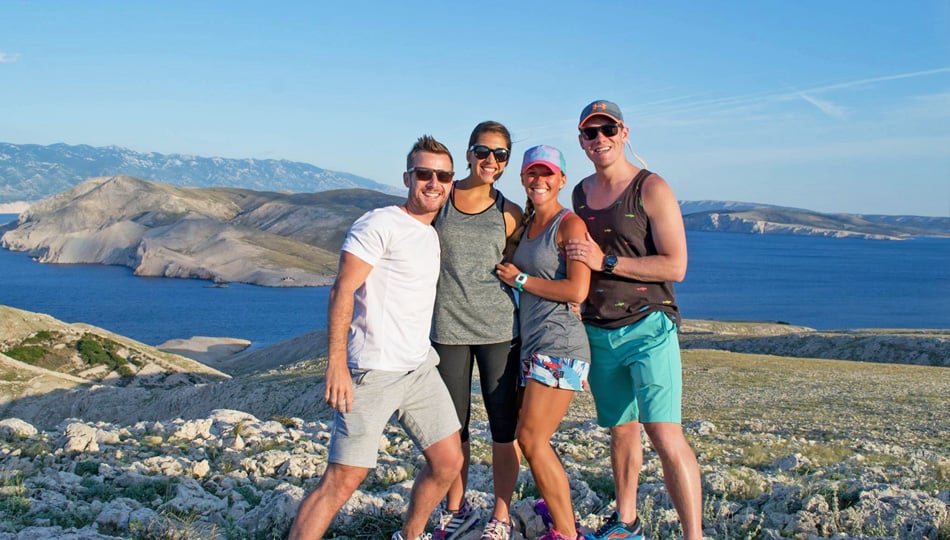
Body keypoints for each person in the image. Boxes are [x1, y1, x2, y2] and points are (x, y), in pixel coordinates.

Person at [289, 135, 463, 540]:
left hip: (419, 369)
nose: (433, 183)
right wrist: (336, 365)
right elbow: (342, 290)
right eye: (424, 174)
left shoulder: (431, 233)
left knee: (448, 461)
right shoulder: (380, 223)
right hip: (373, 371)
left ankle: (410, 536)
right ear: (408, 177)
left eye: (443, 176)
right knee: (344, 479)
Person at [565, 100, 702, 540]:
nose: (599, 138)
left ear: (624, 132)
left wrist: (606, 261)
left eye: (608, 129)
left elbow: (675, 266)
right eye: (591, 132)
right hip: (598, 329)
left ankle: (693, 536)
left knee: (664, 434)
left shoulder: (652, 187)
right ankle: (626, 523)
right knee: (621, 429)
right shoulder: (580, 194)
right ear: (582, 140)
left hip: (648, 326)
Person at [430, 121, 523, 540]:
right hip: (447, 328)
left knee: (504, 429)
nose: (491, 161)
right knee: (454, 429)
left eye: (500, 154)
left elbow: (527, 263)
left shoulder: (509, 211)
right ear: (468, 153)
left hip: (499, 329)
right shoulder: (442, 197)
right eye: (483, 151)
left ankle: (500, 517)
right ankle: (456, 509)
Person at [495, 145, 591, 540]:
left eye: (547, 173)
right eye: (532, 173)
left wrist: (520, 279)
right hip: (536, 345)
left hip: (561, 344)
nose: (539, 180)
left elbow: (578, 288)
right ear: (522, 178)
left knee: (531, 438)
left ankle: (567, 534)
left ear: (562, 180)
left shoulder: (568, 225)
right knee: (530, 436)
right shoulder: (530, 224)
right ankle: (555, 515)